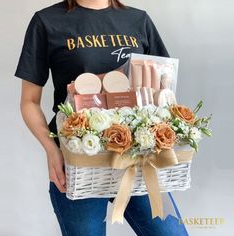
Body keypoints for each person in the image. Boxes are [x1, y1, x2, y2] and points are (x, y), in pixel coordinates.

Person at [14, 0, 189, 235]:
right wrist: (51, 149)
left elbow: (162, 86)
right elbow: (29, 101)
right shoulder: (47, 21)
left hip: (139, 163)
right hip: (79, 164)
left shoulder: (139, 20)